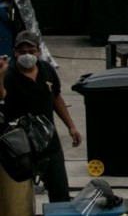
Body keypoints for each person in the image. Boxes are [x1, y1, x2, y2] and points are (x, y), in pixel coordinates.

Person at [0, 30, 82, 202]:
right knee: (17, 201)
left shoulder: (47, 70)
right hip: (19, 148)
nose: (27, 55)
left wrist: (71, 126)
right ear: (15, 52)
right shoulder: (9, 74)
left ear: (39, 51)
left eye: (31, 51)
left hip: (49, 143)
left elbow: (56, 98)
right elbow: (1, 95)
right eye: (22, 52)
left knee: (60, 194)